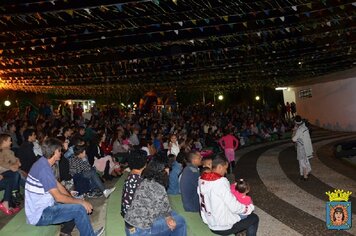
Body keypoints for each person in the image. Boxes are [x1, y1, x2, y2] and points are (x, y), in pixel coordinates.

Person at [24, 138, 104, 236]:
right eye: (59, 151)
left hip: (43, 206)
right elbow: (58, 197)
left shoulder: (43, 162)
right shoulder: (44, 169)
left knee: (72, 201)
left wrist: (72, 197)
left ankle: (65, 232)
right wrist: (81, 202)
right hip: (40, 214)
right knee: (79, 209)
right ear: (54, 152)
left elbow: (58, 185)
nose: (61, 153)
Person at [198, 155, 259, 236]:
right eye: (225, 168)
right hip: (222, 227)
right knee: (254, 218)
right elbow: (234, 207)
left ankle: (238, 233)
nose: (226, 171)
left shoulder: (201, 179)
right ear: (219, 167)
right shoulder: (220, 182)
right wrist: (248, 208)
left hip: (210, 221)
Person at [124, 157, 187, 236]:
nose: (168, 172)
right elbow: (166, 212)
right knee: (181, 221)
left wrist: (168, 217)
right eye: (167, 169)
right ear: (162, 171)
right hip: (141, 232)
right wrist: (169, 219)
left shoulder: (145, 181)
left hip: (129, 227)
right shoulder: (160, 188)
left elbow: (162, 209)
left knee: (173, 214)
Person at [121, 150, 147, 217]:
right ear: (144, 163)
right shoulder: (140, 180)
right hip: (134, 216)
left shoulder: (131, 175)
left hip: (126, 211)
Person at [292, 115, 313, 181]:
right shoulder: (305, 127)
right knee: (306, 161)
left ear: (295, 122)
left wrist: (294, 130)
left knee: (302, 162)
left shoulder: (299, 130)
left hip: (301, 148)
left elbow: (293, 139)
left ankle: (305, 176)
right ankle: (306, 172)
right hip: (307, 147)